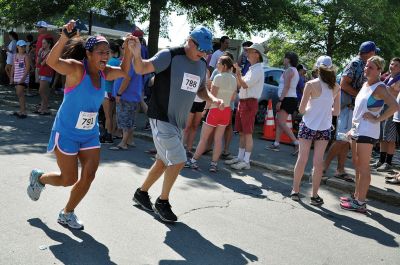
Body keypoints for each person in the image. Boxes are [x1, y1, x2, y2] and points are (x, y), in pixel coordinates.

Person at [26, 20, 134, 230]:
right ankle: (39, 178)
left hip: (89, 134)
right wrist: (64, 36)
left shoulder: (105, 73)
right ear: (89, 54)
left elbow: (124, 70)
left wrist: (128, 50)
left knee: (89, 175)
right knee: (68, 179)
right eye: (101, 52)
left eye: (108, 52)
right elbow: (52, 61)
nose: (106, 56)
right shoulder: (77, 69)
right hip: (66, 132)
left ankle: (67, 213)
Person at [131, 26, 223, 222]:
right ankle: (162, 201)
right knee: (179, 160)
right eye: (202, 49)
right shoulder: (170, 56)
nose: (204, 53)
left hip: (177, 124)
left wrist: (213, 99)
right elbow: (141, 68)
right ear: (190, 41)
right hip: (161, 118)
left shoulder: (201, 65)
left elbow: (201, 90)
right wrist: (136, 53)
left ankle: (141, 193)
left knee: (163, 161)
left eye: (207, 50)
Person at [340, 56, 398, 213]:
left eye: (371, 67)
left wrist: (378, 118)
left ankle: (360, 203)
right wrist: (351, 128)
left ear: (379, 70)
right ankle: (356, 196)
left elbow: (394, 106)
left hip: (368, 131)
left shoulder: (380, 88)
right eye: (366, 66)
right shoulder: (365, 84)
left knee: (364, 168)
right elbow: (359, 110)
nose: (366, 69)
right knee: (357, 166)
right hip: (357, 130)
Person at [324, 41, 379, 181]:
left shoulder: (362, 64)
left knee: (347, 140)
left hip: (352, 109)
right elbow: (343, 84)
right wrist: (359, 95)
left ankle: (340, 170)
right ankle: (323, 167)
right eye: (374, 52)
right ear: (370, 53)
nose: (375, 55)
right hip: (347, 108)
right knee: (341, 139)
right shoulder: (355, 63)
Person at [290, 56, 340, 205]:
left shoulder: (310, 84)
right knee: (318, 162)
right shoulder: (336, 87)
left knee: (302, 158)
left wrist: (313, 107)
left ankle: (295, 191)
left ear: (317, 68)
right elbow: (336, 112)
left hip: (308, 124)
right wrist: (325, 109)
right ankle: (314, 196)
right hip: (324, 127)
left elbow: (301, 110)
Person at [186, 55, 237, 171]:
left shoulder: (218, 77)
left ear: (224, 66)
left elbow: (211, 97)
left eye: (219, 63)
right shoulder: (234, 79)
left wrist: (204, 110)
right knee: (218, 139)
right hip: (226, 110)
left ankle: (193, 161)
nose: (217, 65)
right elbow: (233, 97)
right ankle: (214, 164)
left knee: (204, 138)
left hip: (215, 109)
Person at [224, 43, 265, 170]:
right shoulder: (253, 68)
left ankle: (246, 161)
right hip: (244, 102)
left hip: (249, 102)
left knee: (247, 133)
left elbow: (244, 85)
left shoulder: (258, 70)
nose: (247, 53)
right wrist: (239, 74)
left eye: (250, 51)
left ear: (257, 55)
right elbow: (241, 84)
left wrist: (238, 73)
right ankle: (241, 158)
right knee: (242, 132)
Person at [110, 42, 144, 150]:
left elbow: (126, 79)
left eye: (124, 48)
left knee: (125, 119)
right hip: (132, 96)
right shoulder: (136, 62)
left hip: (126, 96)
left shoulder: (130, 62)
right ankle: (130, 140)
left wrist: (119, 93)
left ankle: (123, 143)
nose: (122, 50)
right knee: (130, 120)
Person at [267, 52, 300, 154]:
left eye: (285, 57)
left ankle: (296, 143)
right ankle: (276, 144)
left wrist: (280, 100)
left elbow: (286, 86)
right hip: (288, 97)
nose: (283, 59)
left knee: (281, 122)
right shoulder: (292, 70)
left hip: (287, 98)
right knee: (279, 121)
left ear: (289, 59)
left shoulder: (290, 70)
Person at [373, 58, 400, 171]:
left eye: (396, 65)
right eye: (391, 63)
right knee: (382, 136)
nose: (392, 66)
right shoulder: (388, 77)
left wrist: (386, 90)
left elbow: (394, 92)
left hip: (392, 109)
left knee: (390, 137)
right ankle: (381, 160)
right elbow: (387, 91)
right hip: (383, 107)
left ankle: (388, 162)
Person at [100, 42, 121, 144]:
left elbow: (105, 76)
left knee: (107, 115)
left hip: (107, 90)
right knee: (111, 114)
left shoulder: (110, 62)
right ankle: (110, 133)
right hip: (112, 91)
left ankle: (108, 135)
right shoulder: (118, 61)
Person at [11, 40, 31, 118]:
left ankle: (24, 111)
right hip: (16, 78)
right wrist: (11, 77)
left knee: (20, 93)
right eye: (21, 46)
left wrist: (23, 78)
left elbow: (27, 68)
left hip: (23, 78)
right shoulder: (15, 55)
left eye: (24, 46)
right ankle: (21, 110)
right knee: (19, 94)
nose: (23, 48)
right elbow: (13, 67)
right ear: (17, 47)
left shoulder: (26, 56)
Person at [35, 38, 54, 115]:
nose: (42, 45)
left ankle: (45, 107)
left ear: (49, 44)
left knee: (41, 91)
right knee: (44, 92)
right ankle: (43, 108)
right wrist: (39, 54)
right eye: (42, 43)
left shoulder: (50, 52)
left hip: (47, 74)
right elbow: (38, 62)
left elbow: (42, 63)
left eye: (44, 43)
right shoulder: (42, 52)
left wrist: (40, 56)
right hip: (42, 73)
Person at [35, 21, 53, 86]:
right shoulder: (39, 36)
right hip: (38, 61)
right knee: (38, 81)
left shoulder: (48, 37)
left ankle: (45, 94)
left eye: (40, 27)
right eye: (37, 27)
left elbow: (50, 50)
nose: (38, 28)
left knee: (43, 83)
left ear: (45, 28)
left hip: (44, 63)